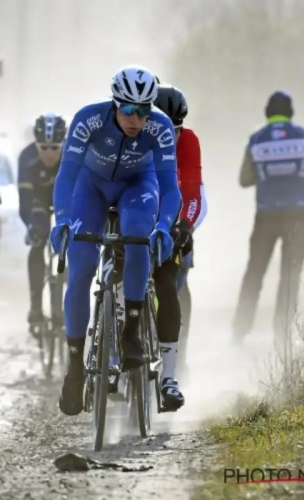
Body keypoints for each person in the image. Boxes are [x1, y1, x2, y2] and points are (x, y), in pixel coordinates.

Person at [50, 66, 182, 416]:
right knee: (80, 269)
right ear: (115, 104)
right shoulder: (88, 119)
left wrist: (164, 227)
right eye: (128, 110)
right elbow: (66, 175)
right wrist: (62, 219)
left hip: (138, 185)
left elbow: (170, 188)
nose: (136, 119)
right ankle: (76, 367)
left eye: (144, 111)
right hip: (91, 188)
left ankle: (132, 333)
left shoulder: (160, 127)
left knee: (138, 232)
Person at [233, 91, 304, 342]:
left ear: (267, 112)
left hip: (266, 216)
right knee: (290, 275)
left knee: (254, 272)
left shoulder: (256, 140)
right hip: (298, 216)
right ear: (291, 112)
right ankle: (283, 336)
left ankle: (239, 331)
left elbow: (244, 180)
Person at [148, 84, 207, 406]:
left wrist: (184, 226)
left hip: (174, 220)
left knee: (172, 285)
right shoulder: (133, 133)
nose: (169, 136)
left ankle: (174, 359)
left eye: (176, 129)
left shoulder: (188, 141)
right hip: (138, 216)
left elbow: (194, 191)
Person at [18, 112, 67, 328]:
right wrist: (31, 226)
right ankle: (35, 305)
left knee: (69, 242)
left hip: (64, 199)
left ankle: (61, 303)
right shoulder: (26, 158)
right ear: (35, 145)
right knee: (38, 239)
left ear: (63, 144)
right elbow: (25, 202)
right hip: (37, 200)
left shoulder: (73, 156)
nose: (49, 153)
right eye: (43, 148)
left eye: (55, 147)